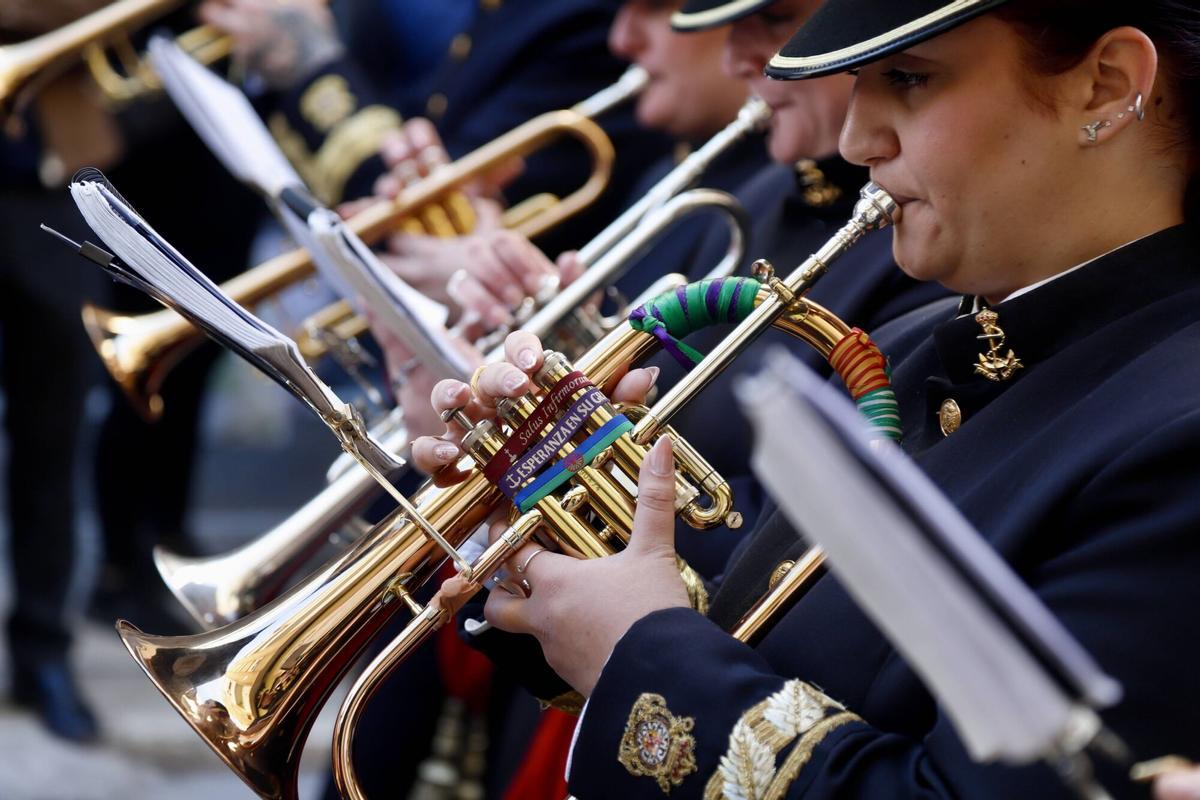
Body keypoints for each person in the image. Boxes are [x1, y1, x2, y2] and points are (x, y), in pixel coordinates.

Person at [411, 0, 1200, 797]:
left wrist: (642, 655)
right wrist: (555, 518)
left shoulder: (1182, 439)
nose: (857, 140)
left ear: (1105, 87)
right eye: (860, 84)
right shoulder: (914, 343)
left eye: (908, 79)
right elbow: (761, 646)